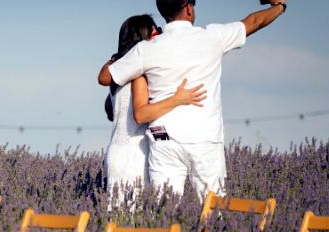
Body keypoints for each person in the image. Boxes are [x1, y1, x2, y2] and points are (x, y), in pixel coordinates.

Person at [98, 0, 288, 202]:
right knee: (213, 207)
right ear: (189, 8)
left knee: (165, 208)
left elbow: (105, 78)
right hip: (205, 139)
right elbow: (255, 22)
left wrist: (120, 54)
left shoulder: (146, 49)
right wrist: (279, 6)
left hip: (164, 140)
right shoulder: (212, 36)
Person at [102, 14, 207, 207]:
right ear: (146, 36)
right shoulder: (139, 75)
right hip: (137, 154)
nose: (159, 33)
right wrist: (177, 99)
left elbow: (110, 112)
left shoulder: (117, 78)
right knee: (139, 223)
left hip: (115, 153)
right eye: (156, 30)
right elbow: (142, 114)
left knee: (116, 222)